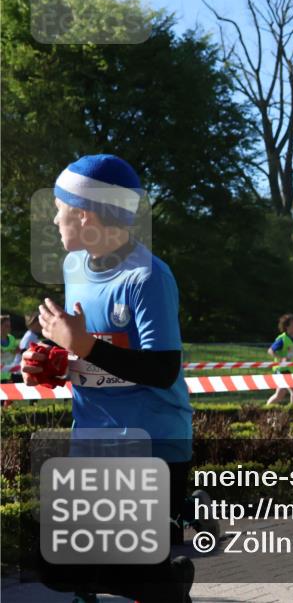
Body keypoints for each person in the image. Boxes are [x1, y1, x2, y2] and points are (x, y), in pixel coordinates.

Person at [20, 154, 194, 602]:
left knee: (129, 571)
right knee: (57, 565)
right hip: (92, 441)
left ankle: (166, 583)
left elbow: (162, 369)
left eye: (59, 210)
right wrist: (54, 361)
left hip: (152, 441)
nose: (54, 220)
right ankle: (166, 580)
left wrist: (84, 348)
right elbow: (87, 346)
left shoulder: (148, 277)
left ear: (86, 214)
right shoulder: (74, 267)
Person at [266, 313, 293, 405]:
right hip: (282, 369)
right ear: (287, 327)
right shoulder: (282, 339)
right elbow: (270, 351)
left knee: (280, 395)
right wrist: (281, 359)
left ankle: (265, 409)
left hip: (292, 369)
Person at [12, 310, 43, 384]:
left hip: (23, 370)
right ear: (35, 323)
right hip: (20, 372)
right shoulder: (29, 337)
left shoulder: (32, 335)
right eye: (40, 322)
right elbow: (22, 353)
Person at [1, 314, 17, 382]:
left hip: (9, 375)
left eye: (9, 326)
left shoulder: (12, 338)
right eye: (6, 326)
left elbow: (16, 352)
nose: (9, 328)